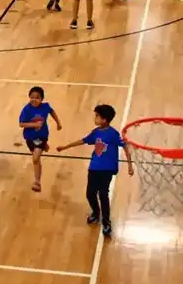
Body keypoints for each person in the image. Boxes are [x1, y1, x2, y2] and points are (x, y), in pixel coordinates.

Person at [56, 103, 134, 237]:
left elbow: (125, 146)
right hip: (94, 168)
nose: (95, 118)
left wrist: (129, 165)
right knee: (90, 194)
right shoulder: (96, 132)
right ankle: (96, 213)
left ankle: (107, 222)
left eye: (97, 116)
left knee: (103, 194)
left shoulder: (113, 134)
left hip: (107, 169)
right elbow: (83, 140)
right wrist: (65, 147)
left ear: (105, 119)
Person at [18, 86, 61, 193]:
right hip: (29, 137)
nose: (34, 99)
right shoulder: (27, 109)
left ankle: (37, 182)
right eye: (32, 97)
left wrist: (58, 123)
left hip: (41, 136)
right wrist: (35, 125)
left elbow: (52, 112)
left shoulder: (45, 107)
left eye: (37, 98)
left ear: (42, 99)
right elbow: (21, 124)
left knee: (36, 158)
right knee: (35, 155)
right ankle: (43, 145)